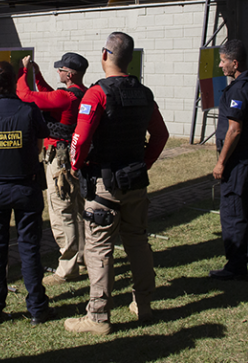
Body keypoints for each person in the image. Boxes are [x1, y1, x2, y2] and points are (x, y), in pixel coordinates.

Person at [64, 32, 169, 335]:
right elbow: (160, 136)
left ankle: (98, 317)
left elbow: (80, 140)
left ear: (104, 55)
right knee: (138, 241)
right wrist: (144, 162)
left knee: (99, 250)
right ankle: (144, 305)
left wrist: (75, 165)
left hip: (104, 185)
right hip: (136, 181)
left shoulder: (96, 94)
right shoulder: (144, 93)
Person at [0, 61, 56, 326]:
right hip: (25, 189)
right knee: (29, 249)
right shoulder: (29, 111)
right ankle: (37, 309)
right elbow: (43, 131)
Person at [16, 52, 88, 286]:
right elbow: (48, 94)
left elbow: (26, 96)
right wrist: (37, 74)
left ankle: (67, 268)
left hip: (59, 158)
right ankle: (84, 258)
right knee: (78, 209)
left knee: (61, 212)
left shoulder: (65, 97)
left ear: (70, 74)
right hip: (74, 156)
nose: (58, 72)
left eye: (61, 69)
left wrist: (23, 71)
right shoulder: (80, 93)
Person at [210, 39, 248, 281]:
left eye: (223, 61)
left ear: (235, 62)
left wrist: (221, 162)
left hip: (238, 160)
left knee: (233, 211)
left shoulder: (240, 89)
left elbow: (234, 129)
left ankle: (236, 265)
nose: (220, 66)